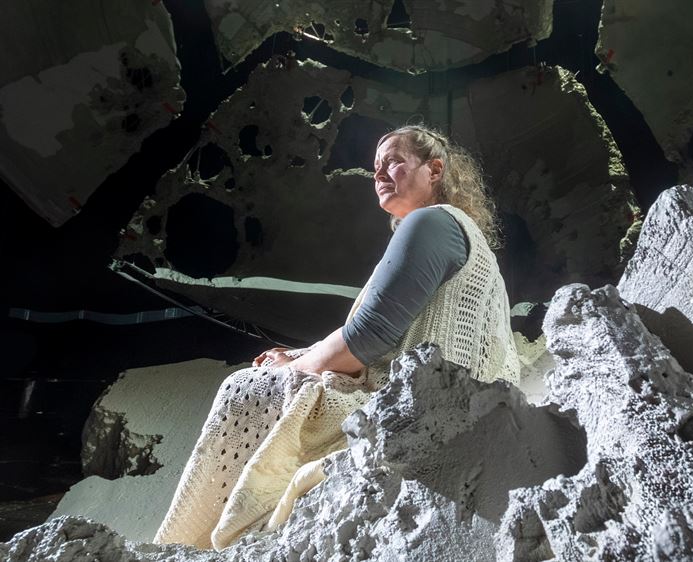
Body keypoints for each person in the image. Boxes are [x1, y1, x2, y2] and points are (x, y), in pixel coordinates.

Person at [153, 125, 520, 550]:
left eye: (393, 161)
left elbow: (369, 337)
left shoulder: (431, 221)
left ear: (434, 170)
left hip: (417, 409)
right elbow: (389, 331)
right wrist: (301, 353)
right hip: (461, 403)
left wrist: (293, 365)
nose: (378, 174)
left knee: (246, 387)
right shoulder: (465, 239)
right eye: (375, 166)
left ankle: (193, 543)